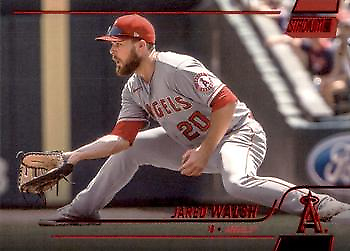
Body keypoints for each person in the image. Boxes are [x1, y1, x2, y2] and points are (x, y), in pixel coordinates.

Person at [42, 14, 350, 225]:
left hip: (238, 134)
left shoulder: (177, 67)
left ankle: (316, 204)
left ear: (141, 45)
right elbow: (122, 138)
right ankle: (82, 209)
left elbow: (226, 103)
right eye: (111, 45)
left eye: (118, 44)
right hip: (193, 143)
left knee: (237, 183)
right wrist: (74, 156)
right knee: (131, 149)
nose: (113, 51)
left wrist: (205, 152)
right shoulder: (134, 88)